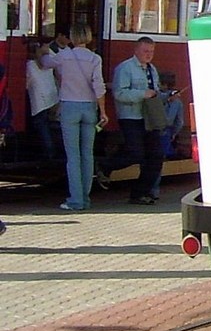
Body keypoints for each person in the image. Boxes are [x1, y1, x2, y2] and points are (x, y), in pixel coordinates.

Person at [38, 23, 107, 211]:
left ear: (72, 36)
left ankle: (75, 200)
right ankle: (85, 198)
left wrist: (44, 51)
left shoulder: (65, 56)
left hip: (69, 106)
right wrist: (103, 111)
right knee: (87, 154)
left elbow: (45, 64)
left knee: (73, 156)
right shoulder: (95, 58)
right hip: (90, 107)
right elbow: (99, 86)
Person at [111, 36, 165, 205]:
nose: (149, 55)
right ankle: (104, 167)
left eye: (152, 52)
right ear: (136, 50)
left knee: (156, 156)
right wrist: (142, 94)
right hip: (131, 117)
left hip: (149, 119)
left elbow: (154, 92)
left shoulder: (152, 69)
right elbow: (119, 94)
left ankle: (140, 193)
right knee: (136, 154)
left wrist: (166, 97)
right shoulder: (125, 68)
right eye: (145, 51)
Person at [148, 72, 185, 201]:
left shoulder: (157, 98)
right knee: (159, 161)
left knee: (149, 160)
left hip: (153, 129)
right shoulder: (178, 102)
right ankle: (154, 190)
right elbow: (180, 121)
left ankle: (147, 188)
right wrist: (174, 133)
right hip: (166, 131)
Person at [26, 38, 60, 159]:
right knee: (50, 128)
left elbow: (26, 85)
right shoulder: (49, 62)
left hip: (39, 102)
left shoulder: (29, 65)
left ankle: (49, 156)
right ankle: (52, 155)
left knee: (43, 128)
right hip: (53, 99)